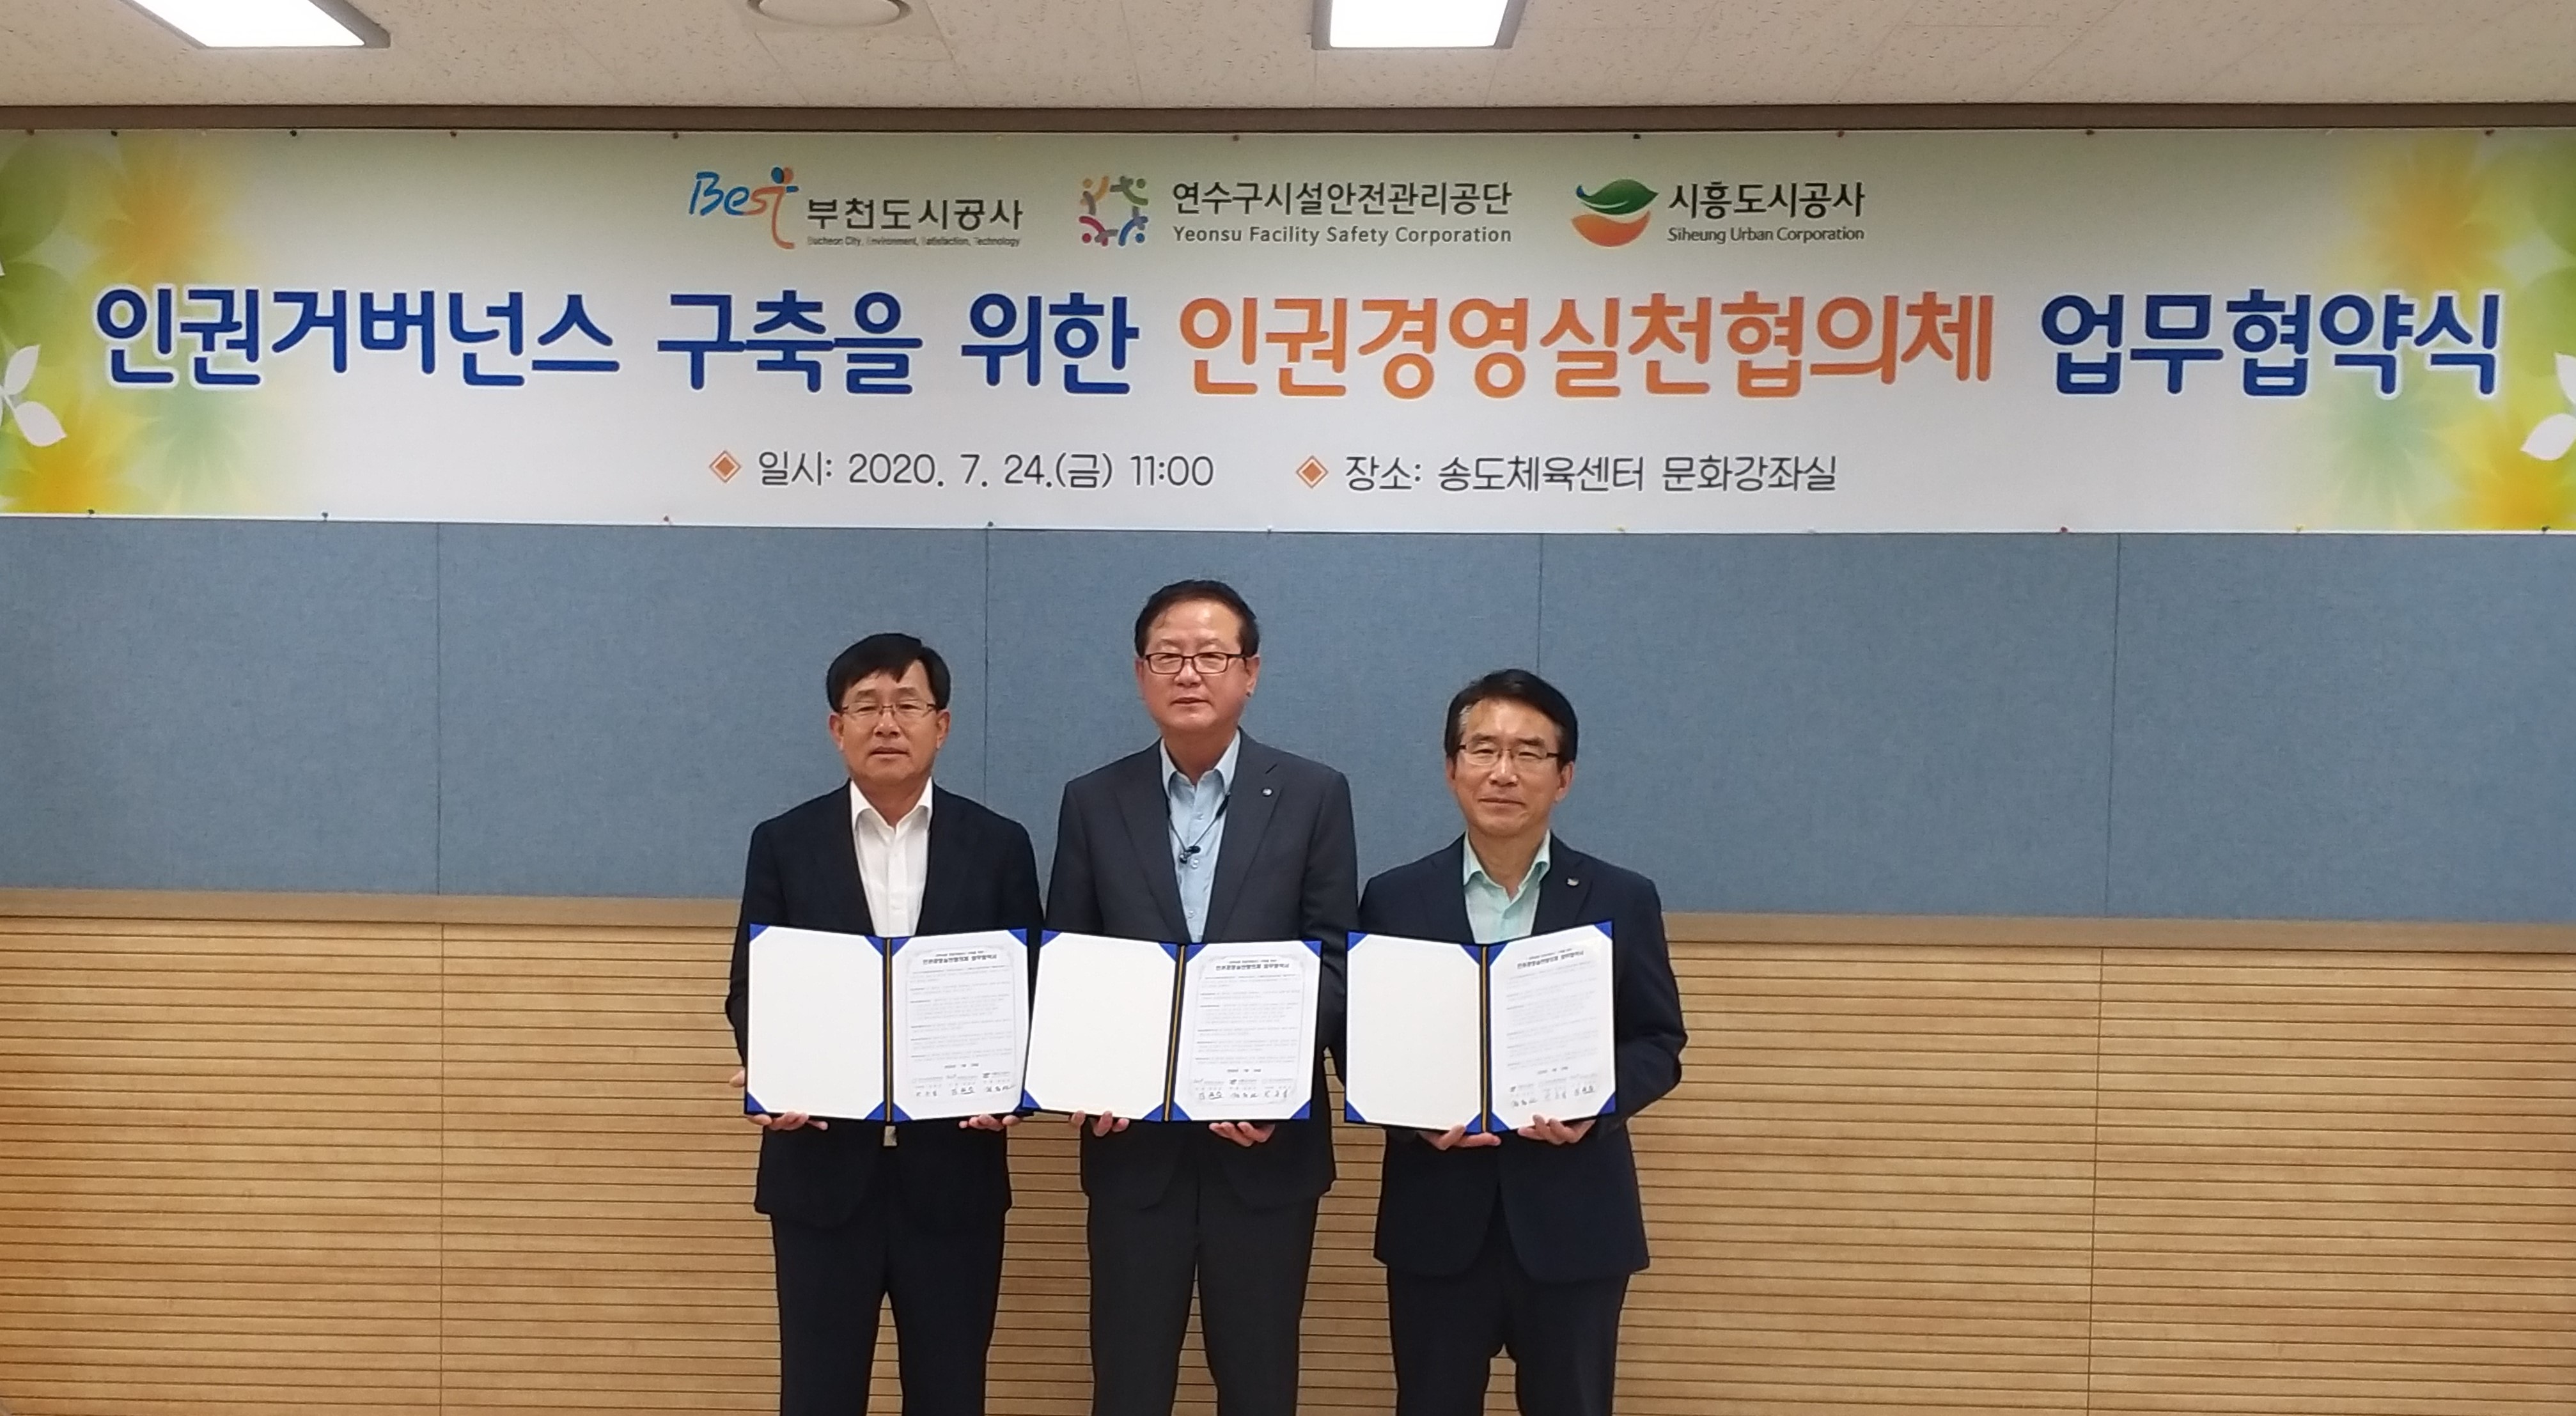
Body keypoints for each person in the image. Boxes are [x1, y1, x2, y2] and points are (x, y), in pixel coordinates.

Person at [1045, 578, 1358, 1416]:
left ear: (1250, 671)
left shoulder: (1314, 793)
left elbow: (1334, 959)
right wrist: (1087, 1073)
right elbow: (1069, 959)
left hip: (1264, 1148)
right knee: (1128, 1381)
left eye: (1212, 655)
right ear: (1140, 673)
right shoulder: (1093, 799)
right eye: (1168, 656)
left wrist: (1273, 1079)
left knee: (1259, 1384)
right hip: (1132, 1150)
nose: (1189, 673)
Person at [723, 632, 1043, 1416]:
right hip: (820, 1172)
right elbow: (751, 986)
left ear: (943, 723)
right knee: (818, 1394)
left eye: (908, 703)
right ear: (837, 728)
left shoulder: (999, 844)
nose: (888, 723)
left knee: (950, 1393)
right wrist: (774, 1071)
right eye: (866, 706)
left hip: (956, 1172)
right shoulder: (784, 842)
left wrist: (1017, 1085)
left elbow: (1030, 985)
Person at [1356, 669, 1687, 1416]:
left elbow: (1658, 1039)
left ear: (1564, 777)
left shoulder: (1621, 896)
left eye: (1530, 753)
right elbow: (1362, 1040)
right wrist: (1412, 1116)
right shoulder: (1395, 897)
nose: (1503, 772)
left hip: (1577, 1222)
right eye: (1483, 749)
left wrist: (1596, 1103)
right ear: (1452, 767)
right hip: (1437, 1222)